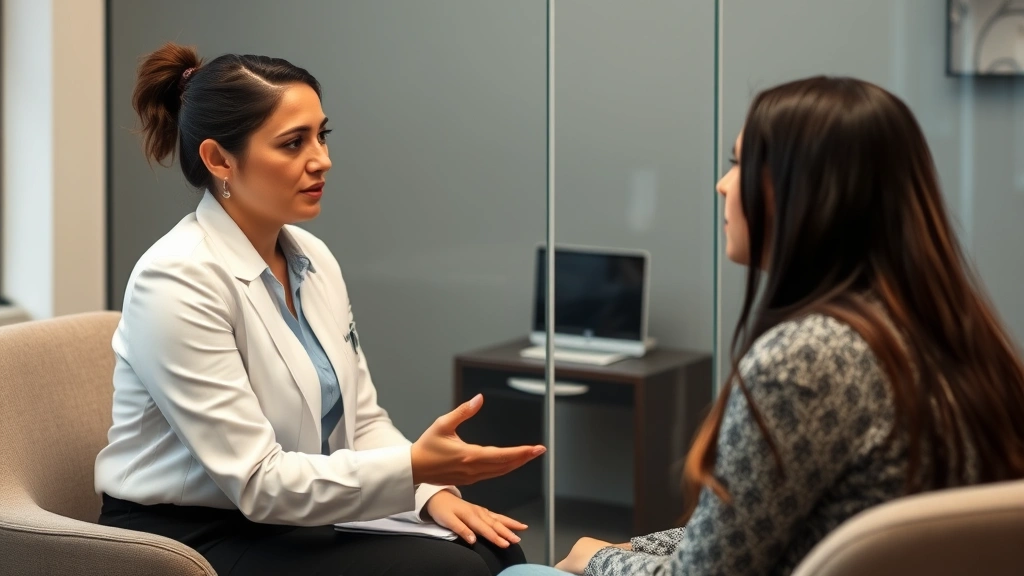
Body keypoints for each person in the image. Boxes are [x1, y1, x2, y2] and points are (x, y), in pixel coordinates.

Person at [500, 76, 1024, 576]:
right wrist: (632, 549)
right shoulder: (950, 337)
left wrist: (594, 557)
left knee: (521, 571)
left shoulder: (808, 360)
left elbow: (708, 573)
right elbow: (747, 531)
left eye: (739, 164)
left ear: (808, 191)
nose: (722, 185)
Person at [95, 42, 546, 576]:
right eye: (293, 143)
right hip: (190, 534)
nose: (322, 160)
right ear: (219, 160)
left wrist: (430, 491)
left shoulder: (312, 258)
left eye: (321, 135)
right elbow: (258, 482)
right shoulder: (177, 278)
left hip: (288, 513)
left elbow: (362, 420)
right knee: (458, 571)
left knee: (495, 549)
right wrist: (412, 467)